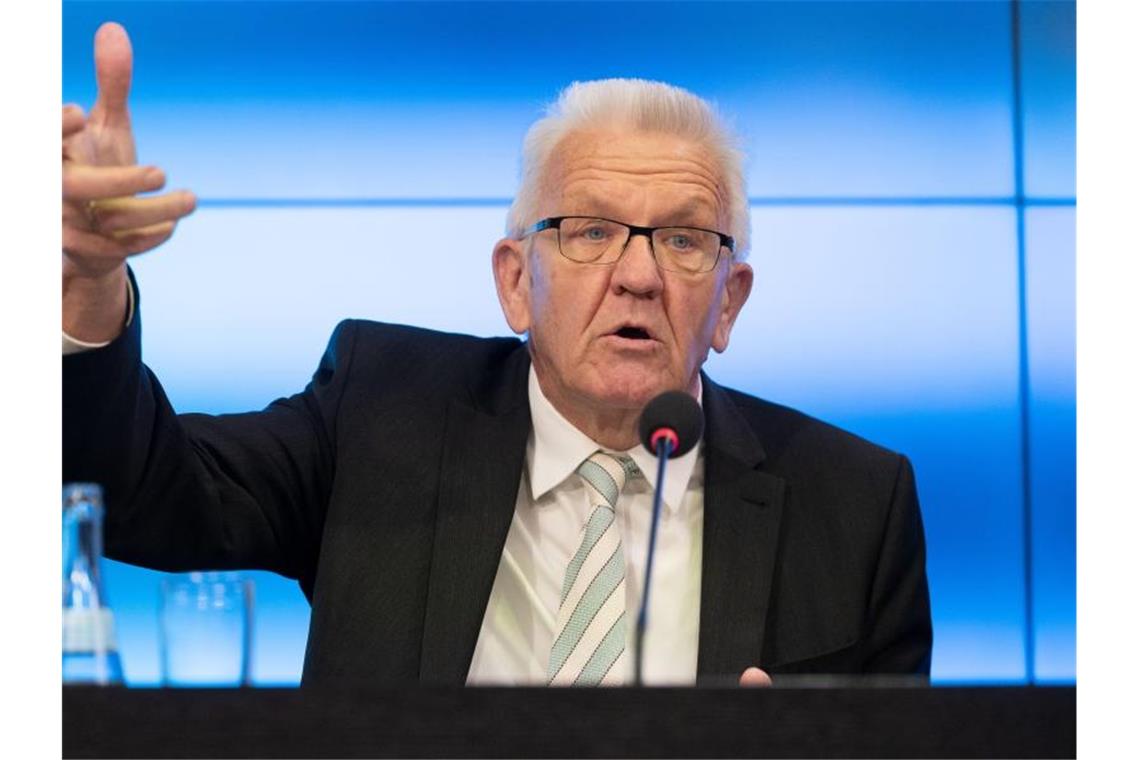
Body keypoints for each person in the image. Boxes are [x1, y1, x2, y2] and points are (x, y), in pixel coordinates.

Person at [63, 23, 932, 687]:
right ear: (516, 282)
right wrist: (90, 286)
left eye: (682, 240)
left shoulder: (853, 507)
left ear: (729, 301)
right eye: (591, 231)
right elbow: (140, 494)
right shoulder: (380, 412)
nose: (638, 276)